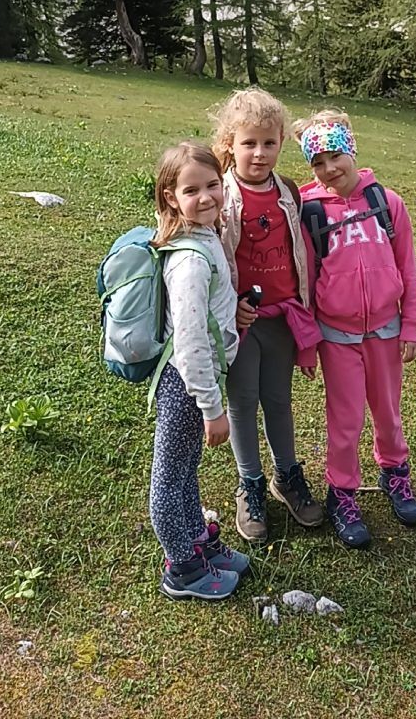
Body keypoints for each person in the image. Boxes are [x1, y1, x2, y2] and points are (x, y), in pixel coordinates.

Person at [293, 110, 416, 548]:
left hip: (386, 332)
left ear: (351, 150)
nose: (329, 168)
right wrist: (307, 345)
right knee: (345, 421)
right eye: (318, 162)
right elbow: (306, 282)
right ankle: (342, 493)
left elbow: (408, 268)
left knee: (388, 412)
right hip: (337, 338)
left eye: (335, 156)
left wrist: (411, 325)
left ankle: (395, 474)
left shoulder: (388, 203)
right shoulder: (310, 213)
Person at [212, 89, 324, 543]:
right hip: (242, 324)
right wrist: (229, 305)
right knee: (242, 402)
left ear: (280, 143)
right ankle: (251, 483)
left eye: (269, 143)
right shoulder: (220, 194)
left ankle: (287, 476)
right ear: (230, 143)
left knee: (279, 400)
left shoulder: (289, 192)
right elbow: (210, 258)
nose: (259, 153)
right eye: (249, 143)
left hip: (283, 318)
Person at [149, 140, 250, 600]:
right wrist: (212, 408)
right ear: (171, 197)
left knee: (186, 467)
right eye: (192, 190)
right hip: (187, 382)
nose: (206, 197)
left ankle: (197, 542)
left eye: (213, 185)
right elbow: (190, 344)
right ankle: (183, 569)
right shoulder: (189, 261)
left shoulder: (204, 234)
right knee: (171, 476)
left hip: (199, 379)